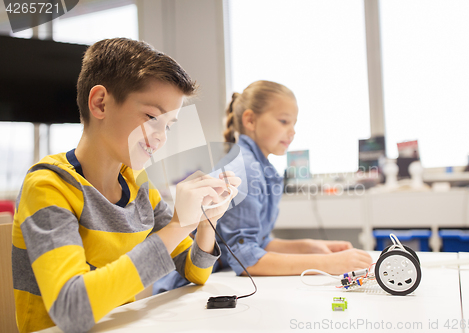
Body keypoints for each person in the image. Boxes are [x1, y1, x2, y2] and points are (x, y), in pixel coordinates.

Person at [12, 38, 240, 333]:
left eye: (168, 125)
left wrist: (206, 219)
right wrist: (179, 226)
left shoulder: (139, 186)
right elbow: (71, 309)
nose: (161, 137)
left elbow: (194, 271)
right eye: (152, 117)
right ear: (100, 103)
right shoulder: (47, 185)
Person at [216, 80, 372, 276]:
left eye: (294, 123)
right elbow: (246, 259)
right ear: (250, 121)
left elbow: (259, 242)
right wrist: (329, 264)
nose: (292, 131)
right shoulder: (243, 169)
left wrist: (310, 247)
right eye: (284, 121)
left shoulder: (261, 168)